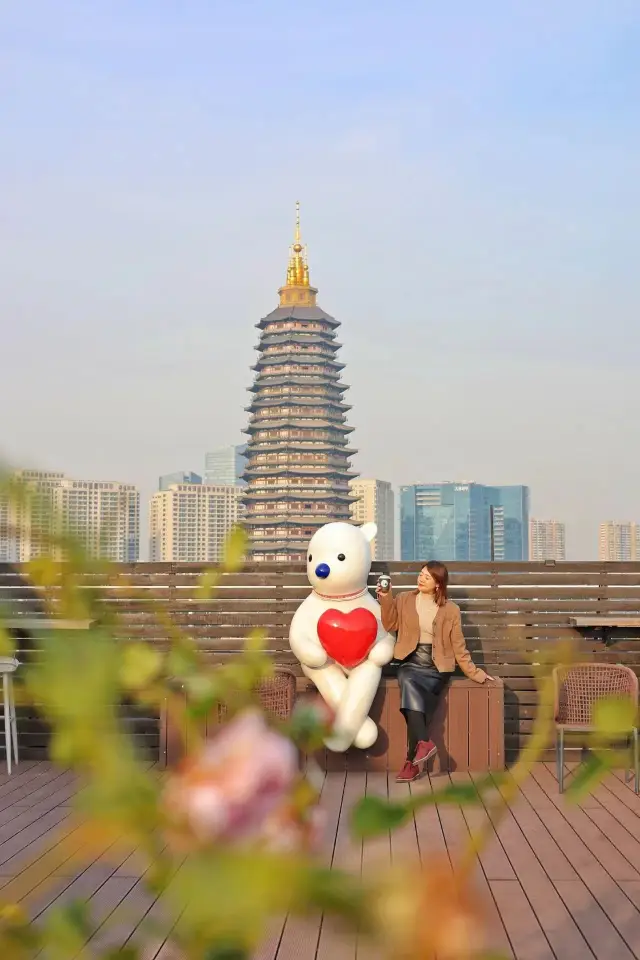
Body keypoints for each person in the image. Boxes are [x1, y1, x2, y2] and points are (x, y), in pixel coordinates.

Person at [377, 561, 495, 783]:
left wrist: (476, 673)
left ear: (438, 584)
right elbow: (390, 624)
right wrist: (385, 597)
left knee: (413, 705)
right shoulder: (404, 599)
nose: (421, 579)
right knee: (408, 682)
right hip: (410, 660)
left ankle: (414, 759)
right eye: (421, 574)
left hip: (436, 667)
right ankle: (421, 747)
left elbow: (459, 647)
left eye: (427, 577)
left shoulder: (451, 610)